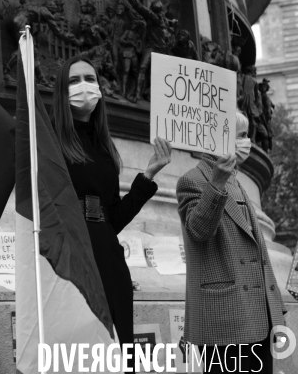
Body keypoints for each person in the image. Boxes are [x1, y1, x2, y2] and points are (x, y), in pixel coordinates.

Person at [50, 55, 172, 371]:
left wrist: (147, 178)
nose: (84, 87)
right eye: (74, 81)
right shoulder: (50, 141)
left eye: (90, 79)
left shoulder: (104, 148)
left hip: (111, 265)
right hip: (72, 265)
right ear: (61, 92)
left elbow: (112, 218)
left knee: (118, 359)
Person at [176, 111, 286, 373]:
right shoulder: (192, 180)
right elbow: (198, 232)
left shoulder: (238, 182)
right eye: (241, 136)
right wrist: (216, 183)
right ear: (219, 138)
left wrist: (276, 311)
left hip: (258, 319)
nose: (247, 142)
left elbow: (258, 253)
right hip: (223, 321)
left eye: (247, 135)